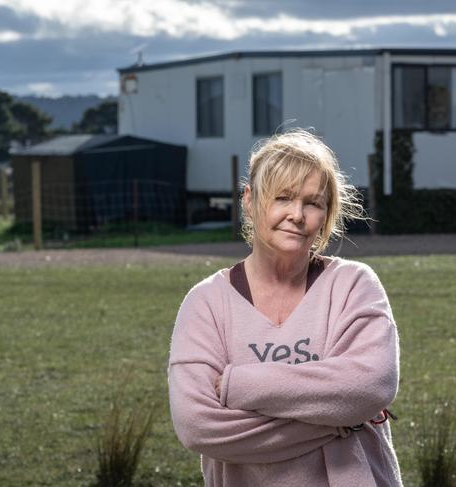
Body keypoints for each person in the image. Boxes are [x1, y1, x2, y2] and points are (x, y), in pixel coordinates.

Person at [168, 129, 402, 486]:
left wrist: (238, 385)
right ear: (249, 200)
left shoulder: (354, 285)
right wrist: (342, 419)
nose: (297, 214)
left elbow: (371, 386)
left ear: (326, 213)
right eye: (283, 198)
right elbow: (197, 425)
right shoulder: (206, 303)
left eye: (313, 202)